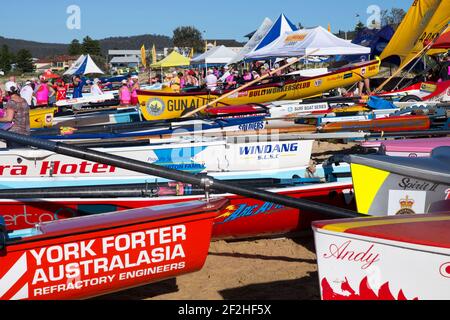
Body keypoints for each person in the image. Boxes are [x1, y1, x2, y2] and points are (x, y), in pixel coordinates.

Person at [0, 83, 30, 148]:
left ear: (7, 92)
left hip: (15, 135)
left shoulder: (11, 102)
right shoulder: (24, 100)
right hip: (26, 133)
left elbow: (8, 119)